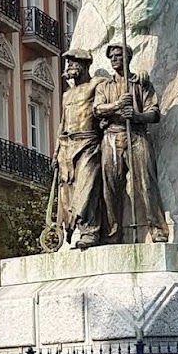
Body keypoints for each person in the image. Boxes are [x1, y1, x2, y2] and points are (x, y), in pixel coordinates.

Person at [93, 43, 169, 244]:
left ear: (128, 58)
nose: (115, 59)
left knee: (147, 182)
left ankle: (157, 229)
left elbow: (154, 113)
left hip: (136, 134)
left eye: (119, 56)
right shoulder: (104, 86)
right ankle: (112, 234)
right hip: (111, 136)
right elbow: (98, 109)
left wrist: (137, 115)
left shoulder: (140, 83)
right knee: (110, 187)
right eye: (112, 57)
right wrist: (117, 106)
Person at [53, 49, 104, 249]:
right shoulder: (67, 95)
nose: (70, 66)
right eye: (69, 63)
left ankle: (91, 231)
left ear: (85, 65)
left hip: (89, 142)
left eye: (74, 62)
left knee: (87, 186)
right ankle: (77, 231)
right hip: (67, 145)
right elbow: (62, 124)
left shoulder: (97, 84)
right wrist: (57, 150)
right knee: (69, 191)